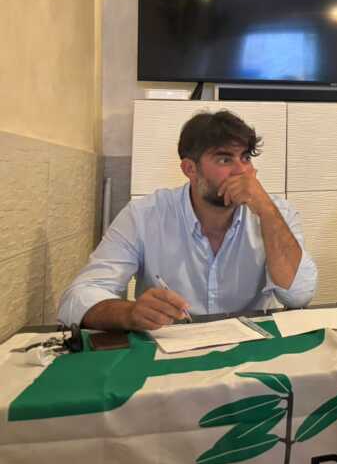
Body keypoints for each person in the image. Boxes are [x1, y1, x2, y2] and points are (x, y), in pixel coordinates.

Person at [58, 110, 317, 330]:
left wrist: (267, 211)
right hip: (171, 351)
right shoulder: (144, 215)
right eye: (225, 159)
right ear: (190, 169)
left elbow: (299, 296)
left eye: (246, 158)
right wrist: (129, 312)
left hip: (253, 348)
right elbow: (77, 299)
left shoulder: (277, 213)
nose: (243, 172)